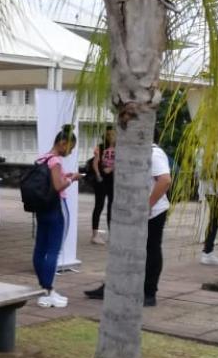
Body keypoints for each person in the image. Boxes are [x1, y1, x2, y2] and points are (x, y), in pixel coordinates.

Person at [85, 139, 172, 307]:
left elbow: (165, 180)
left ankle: (149, 293)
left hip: (152, 213)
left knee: (151, 250)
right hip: (130, 211)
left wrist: (147, 206)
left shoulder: (154, 153)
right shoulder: (132, 151)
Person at [32, 126, 79, 309]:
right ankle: (48, 291)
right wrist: (72, 179)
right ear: (62, 143)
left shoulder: (42, 158)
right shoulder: (55, 161)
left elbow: (50, 182)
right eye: (71, 147)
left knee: (40, 249)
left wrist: (63, 176)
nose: (71, 151)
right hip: (56, 207)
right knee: (53, 250)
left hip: (42, 207)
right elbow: (58, 186)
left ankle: (44, 290)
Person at [90, 126, 116, 245]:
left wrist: (111, 168)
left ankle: (112, 235)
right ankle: (95, 235)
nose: (111, 137)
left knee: (112, 207)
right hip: (101, 180)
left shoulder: (120, 148)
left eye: (113, 134)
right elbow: (95, 163)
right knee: (99, 206)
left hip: (113, 180)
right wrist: (99, 174)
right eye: (108, 134)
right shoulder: (100, 147)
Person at [200, 151, 218, 265]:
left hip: (213, 190)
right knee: (216, 220)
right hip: (215, 191)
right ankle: (207, 252)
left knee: (215, 220)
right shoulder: (213, 148)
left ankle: (207, 252)